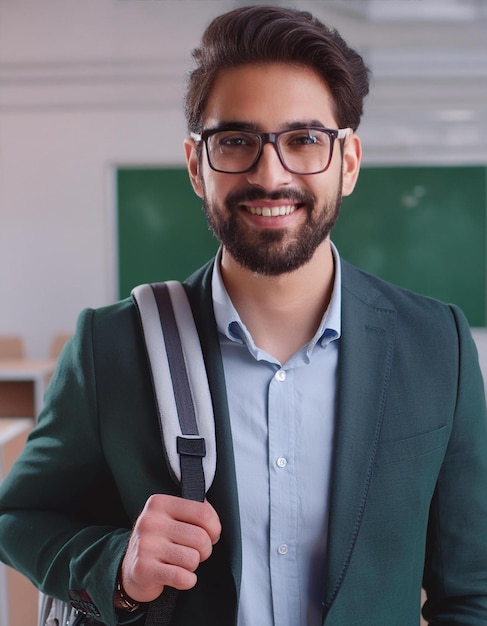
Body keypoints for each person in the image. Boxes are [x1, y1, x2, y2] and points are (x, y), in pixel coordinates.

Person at [1, 5, 486, 626]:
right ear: (196, 165)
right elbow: (20, 517)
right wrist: (117, 569)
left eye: (304, 140)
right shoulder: (112, 346)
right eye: (236, 141)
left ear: (349, 162)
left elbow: (470, 592)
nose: (270, 173)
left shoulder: (435, 345)